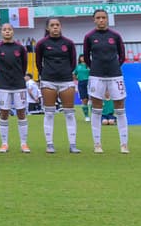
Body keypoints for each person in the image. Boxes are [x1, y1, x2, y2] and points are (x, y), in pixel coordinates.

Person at [83, 9, 129, 154]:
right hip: (96, 76)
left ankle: (124, 144)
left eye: (103, 17)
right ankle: (97, 144)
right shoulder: (89, 37)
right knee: (97, 110)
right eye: (98, 18)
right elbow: (86, 56)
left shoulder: (115, 36)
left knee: (120, 109)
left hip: (115, 75)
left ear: (107, 19)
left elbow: (122, 56)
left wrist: (113, 68)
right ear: (94, 20)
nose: (101, 20)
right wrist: (96, 69)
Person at [33, 17, 80, 154]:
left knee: (69, 113)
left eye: (57, 25)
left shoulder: (69, 43)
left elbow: (72, 62)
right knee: (49, 113)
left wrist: (66, 73)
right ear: (47, 28)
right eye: (52, 25)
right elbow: (38, 63)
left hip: (66, 81)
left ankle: (72, 144)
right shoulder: (41, 44)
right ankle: (49, 144)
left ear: (61, 26)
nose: (55, 27)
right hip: (48, 81)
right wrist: (46, 75)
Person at [0, 23, 30, 153]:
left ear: (13, 32)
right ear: (1, 32)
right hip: (3, 85)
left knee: (21, 113)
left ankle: (24, 143)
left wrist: (19, 76)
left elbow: (24, 66)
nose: (7, 32)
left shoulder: (20, 48)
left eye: (9, 29)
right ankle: (4, 143)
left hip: (19, 84)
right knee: (4, 113)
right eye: (4, 30)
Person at [75, 54, 91, 121]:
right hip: (81, 83)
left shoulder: (90, 65)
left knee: (93, 99)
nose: (83, 58)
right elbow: (74, 74)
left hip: (90, 82)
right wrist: (76, 80)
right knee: (84, 99)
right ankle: (86, 116)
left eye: (84, 57)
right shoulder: (78, 66)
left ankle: (95, 115)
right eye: (81, 57)